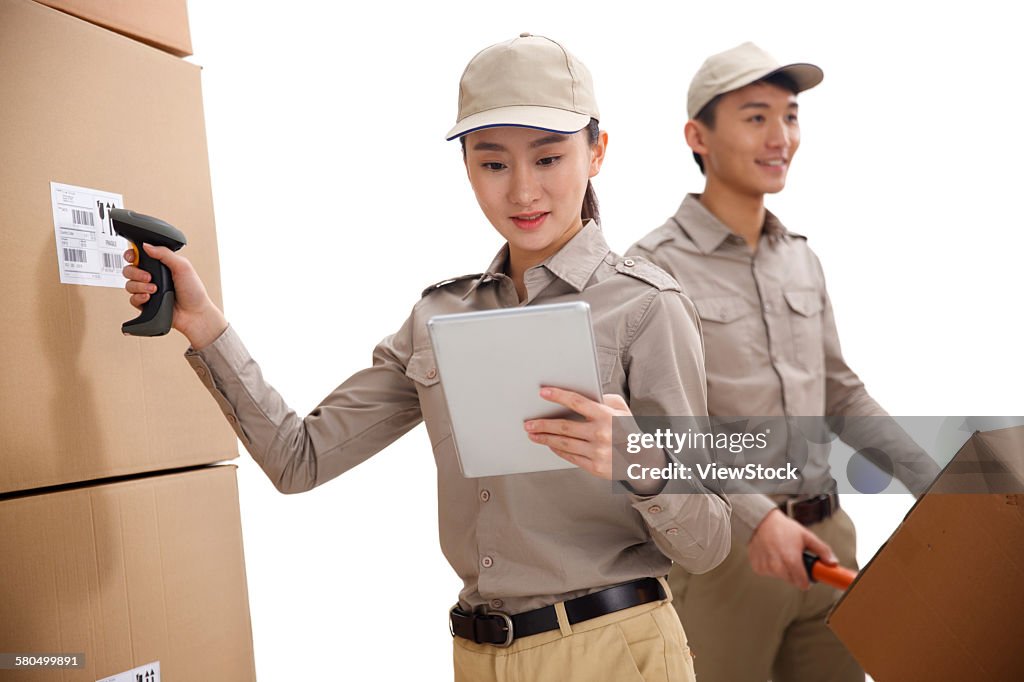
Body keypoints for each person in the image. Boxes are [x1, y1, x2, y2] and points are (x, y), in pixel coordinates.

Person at [123, 33, 730, 681]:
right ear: (467, 166)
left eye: (549, 158)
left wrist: (638, 459)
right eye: (493, 164)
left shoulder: (646, 309)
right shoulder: (440, 317)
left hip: (614, 652)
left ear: (597, 152)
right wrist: (204, 324)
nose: (523, 190)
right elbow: (300, 460)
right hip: (478, 656)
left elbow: (709, 543)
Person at [626, 42, 939, 682]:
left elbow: (842, 395)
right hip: (726, 560)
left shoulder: (799, 257)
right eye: (755, 116)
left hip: (828, 546)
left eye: (790, 116)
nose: (781, 137)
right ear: (698, 135)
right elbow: (662, 433)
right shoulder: (652, 271)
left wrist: (934, 484)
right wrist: (758, 517)